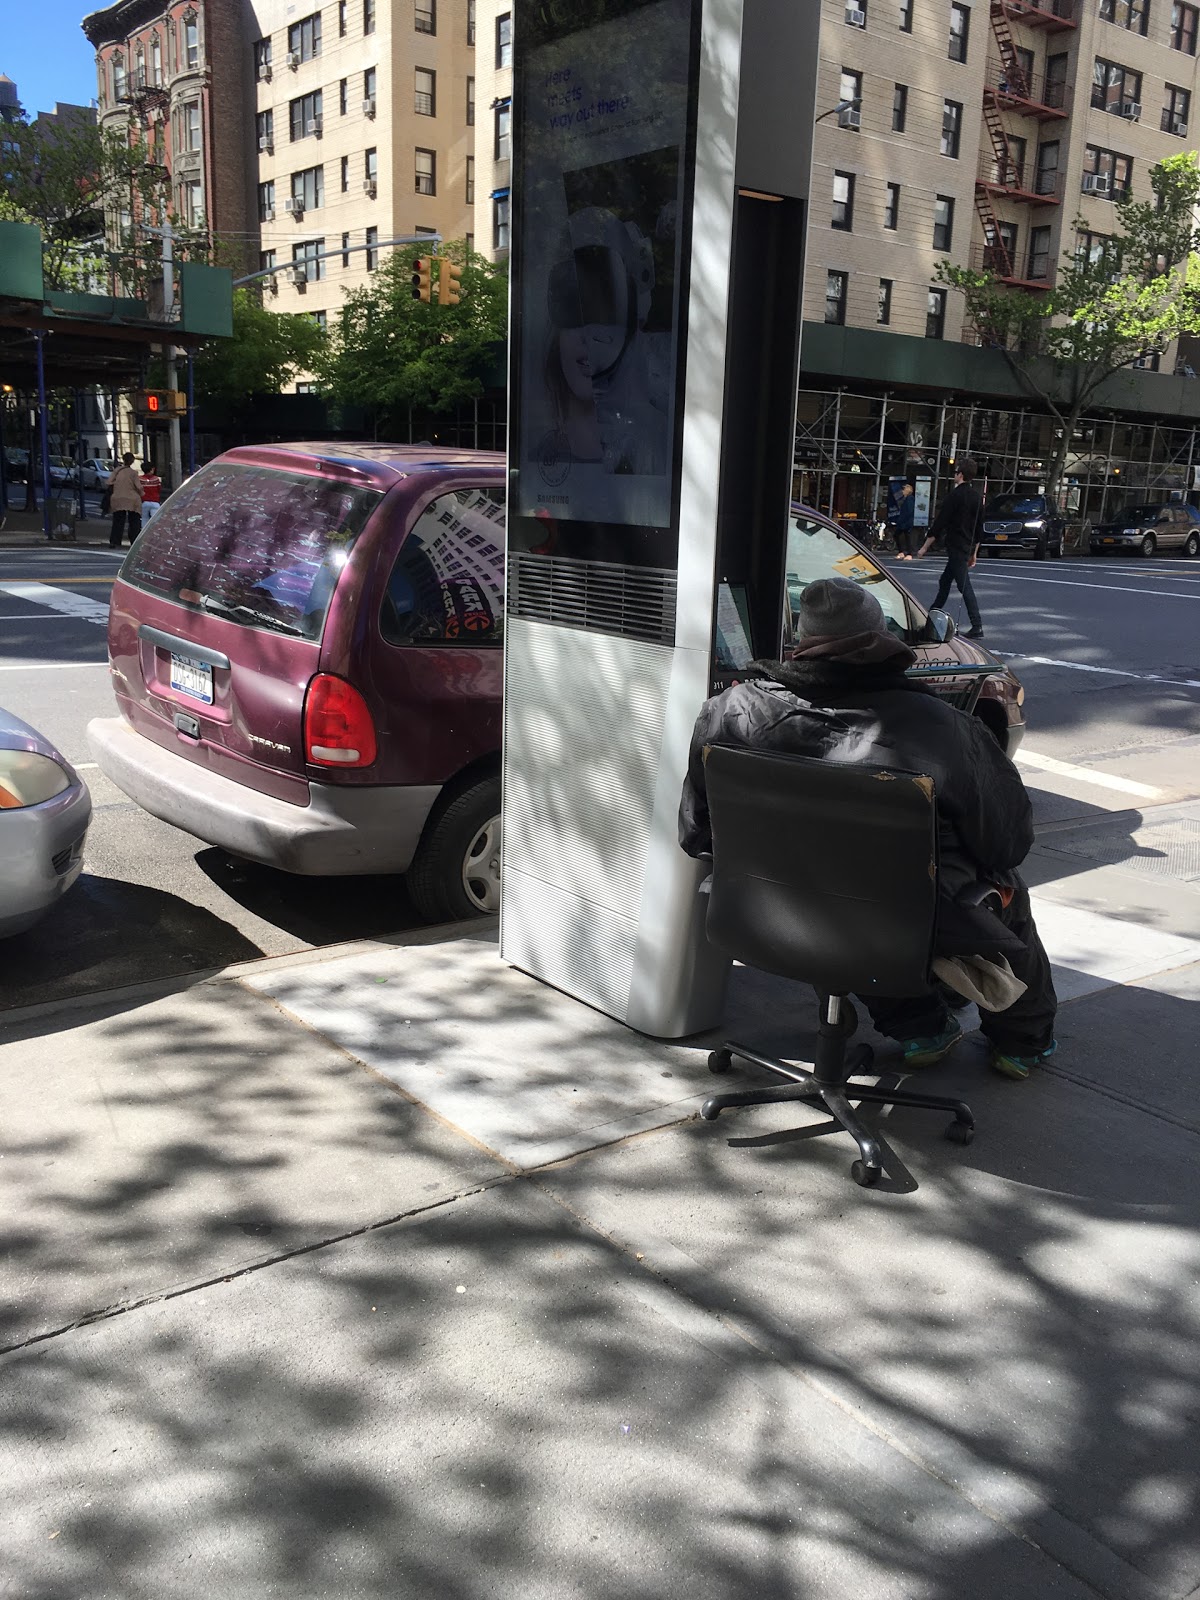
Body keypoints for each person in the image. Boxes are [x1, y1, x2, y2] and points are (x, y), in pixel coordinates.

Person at [678, 576, 1058, 1082]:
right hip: (898, 921)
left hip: (772, 914)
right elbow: (1007, 841)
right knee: (1004, 888)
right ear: (883, 641)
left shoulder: (730, 710)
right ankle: (1021, 1043)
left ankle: (921, 1028)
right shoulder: (943, 728)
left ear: (802, 642)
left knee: (834, 880)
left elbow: (694, 834)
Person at [919, 458, 985, 637]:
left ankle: (977, 625)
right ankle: (931, 616)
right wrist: (975, 553)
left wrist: (925, 547)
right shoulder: (977, 497)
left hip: (956, 545)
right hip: (967, 546)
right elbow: (979, 528)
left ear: (960, 474)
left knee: (964, 585)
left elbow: (941, 522)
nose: (954, 475)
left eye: (955, 472)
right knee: (945, 581)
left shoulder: (954, 496)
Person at [107, 453, 143, 548]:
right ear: (132, 461)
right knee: (134, 521)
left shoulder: (117, 471)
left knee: (118, 520)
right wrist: (142, 494)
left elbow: (109, 482)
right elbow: (138, 487)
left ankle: (115, 541)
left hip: (117, 498)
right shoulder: (133, 473)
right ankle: (134, 540)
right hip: (132, 499)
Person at [890, 482, 917, 559]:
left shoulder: (910, 499)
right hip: (904, 521)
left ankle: (908, 553)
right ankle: (905, 552)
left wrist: (901, 520)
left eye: (903, 489)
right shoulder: (906, 499)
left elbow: (908, 511)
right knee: (903, 536)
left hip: (906, 522)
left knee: (904, 536)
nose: (902, 491)